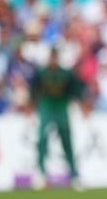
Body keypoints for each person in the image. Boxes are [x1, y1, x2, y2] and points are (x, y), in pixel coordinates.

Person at [30, 48, 84, 190]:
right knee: (42, 138)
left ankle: (73, 174)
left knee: (67, 140)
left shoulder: (65, 74)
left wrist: (81, 104)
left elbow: (76, 90)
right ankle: (41, 173)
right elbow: (33, 90)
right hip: (46, 107)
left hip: (61, 107)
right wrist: (31, 106)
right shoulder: (41, 73)